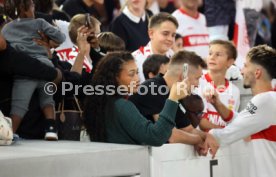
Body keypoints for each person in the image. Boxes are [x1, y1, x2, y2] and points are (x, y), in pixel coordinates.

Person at [84, 52, 191, 145]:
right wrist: (173, 99)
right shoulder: (121, 106)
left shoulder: (104, 103)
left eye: (137, 73)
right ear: (115, 77)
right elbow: (156, 137)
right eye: (131, 74)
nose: (137, 79)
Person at [206, 45, 276, 176]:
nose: (241, 71)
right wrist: (218, 104)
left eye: (245, 65)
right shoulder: (269, 101)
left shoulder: (264, 100)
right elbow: (245, 122)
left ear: (257, 72)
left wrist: (211, 135)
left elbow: (231, 132)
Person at [2, 0, 66, 140]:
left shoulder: (7, 28)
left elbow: (6, 49)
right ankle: (51, 129)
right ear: (26, 9)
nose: (34, 9)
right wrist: (49, 41)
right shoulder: (40, 23)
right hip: (45, 64)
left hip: (25, 70)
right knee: (47, 99)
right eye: (33, 6)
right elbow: (61, 38)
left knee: (19, 104)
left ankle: (10, 133)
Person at [129, 50, 217, 147]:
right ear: (183, 76)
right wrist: (199, 140)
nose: (198, 84)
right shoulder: (152, 88)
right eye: (197, 78)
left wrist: (207, 136)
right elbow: (171, 136)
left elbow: (189, 129)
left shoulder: (173, 92)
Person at [197, 40, 240, 132]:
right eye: (210, 53)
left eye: (218, 54)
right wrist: (226, 133)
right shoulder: (197, 81)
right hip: (200, 142)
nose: (212, 57)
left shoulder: (235, 91)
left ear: (230, 62)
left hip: (223, 144)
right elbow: (202, 123)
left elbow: (232, 122)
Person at [132, 12, 177, 83]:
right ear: (151, 33)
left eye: (173, 35)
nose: (170, 39)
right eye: (165, 34)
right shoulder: (134, 60)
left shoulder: (176, 59)